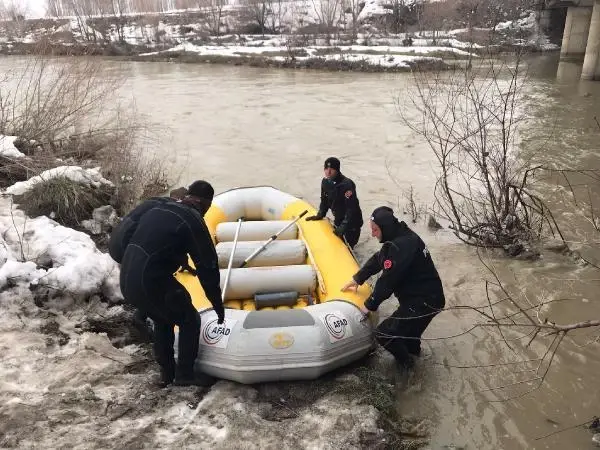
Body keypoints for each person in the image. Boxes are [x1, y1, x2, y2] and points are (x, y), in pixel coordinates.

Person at [118, 180, 225, 387]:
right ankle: (185, 376)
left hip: (127, 277)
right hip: (150, 280)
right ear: (205, 203)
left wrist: (178, 260)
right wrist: (217, 305)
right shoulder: (193, 219)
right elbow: (208, 267)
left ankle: (167, 374)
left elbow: (150, 239)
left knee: (164, 318)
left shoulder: (161, 208)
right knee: (189, 319)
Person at [341, 206, 445, 370]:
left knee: (385, 334)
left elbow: (388, 281)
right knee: (409, 338)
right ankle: (416, 365)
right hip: (426, 298)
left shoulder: (402, 246)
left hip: (424, 302)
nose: (373, 234)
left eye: (375, 230)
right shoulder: (399, 236)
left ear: (385, 227)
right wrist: (358, 278)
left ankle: (408, 368)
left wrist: (369, 305)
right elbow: (380, 258)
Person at [305, 157, 363, 249]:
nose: (328, 172)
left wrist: (344, 226)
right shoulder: (325, 182)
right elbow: (324, 200)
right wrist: (320, 214)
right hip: (339, 218)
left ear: (337, 170)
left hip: (352, 223)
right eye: (326, 169)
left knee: (348, 248)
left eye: (331, 169)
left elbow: (351, 208)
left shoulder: (347, 185)